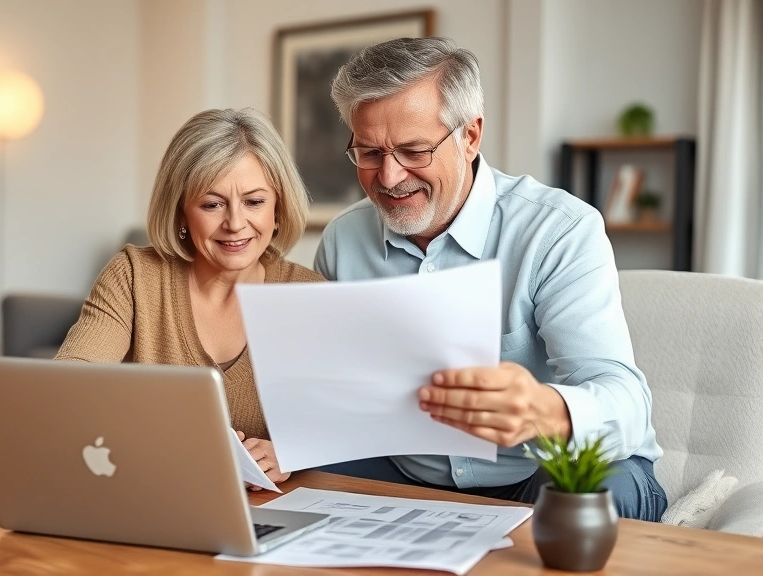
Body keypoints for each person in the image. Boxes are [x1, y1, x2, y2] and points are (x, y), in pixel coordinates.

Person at [313, 37, 667, 521]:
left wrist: (542, 409)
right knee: (297, 480)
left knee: (592, 498)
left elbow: (625, 402)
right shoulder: (343, 241)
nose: (390, 178)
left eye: (414, 151)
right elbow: (328, 390)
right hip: (408, 473)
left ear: (471, 135)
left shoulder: (557, 230)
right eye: (369, 153)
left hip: (541, 469)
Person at [56, 108, 323, 489]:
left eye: (254, 202)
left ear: (278, 208)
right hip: (151, 493)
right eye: (212, 204)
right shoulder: (134, 275)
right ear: (181, 211)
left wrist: (294, 450)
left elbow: (340, 423)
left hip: (266, 508)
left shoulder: (310, 296)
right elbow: (66, 386)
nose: (235, 223)